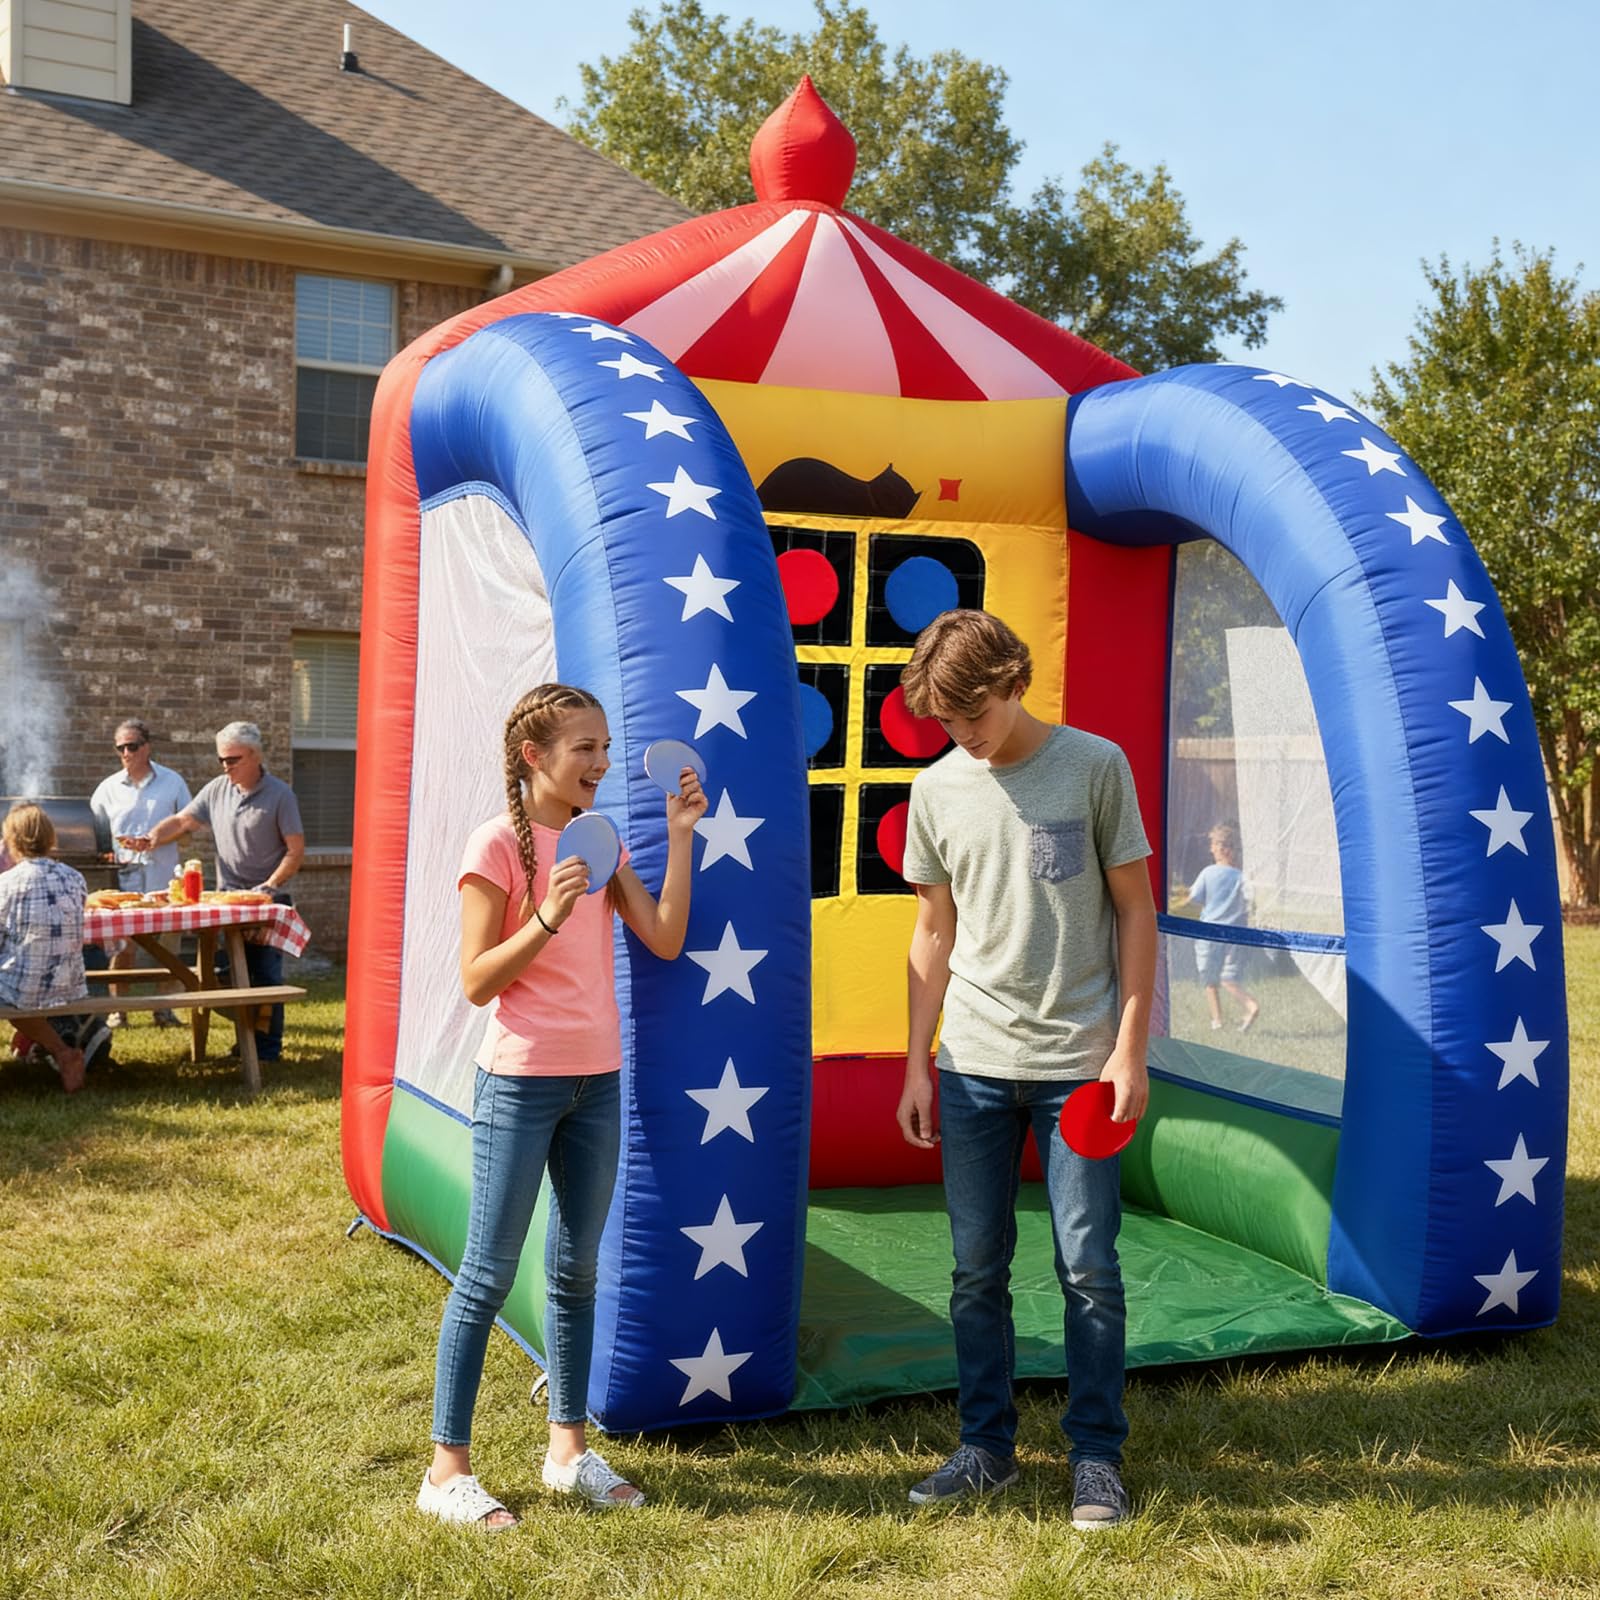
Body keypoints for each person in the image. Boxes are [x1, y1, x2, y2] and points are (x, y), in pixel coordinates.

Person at [418, 684, 707, 1528]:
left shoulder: (601, 842)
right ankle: (446, 1471)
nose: (602, 762)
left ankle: (567, 1453)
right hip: (519, 1081)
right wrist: (546, 914)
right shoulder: (498, 845)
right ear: (534, 757)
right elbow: (475, 982)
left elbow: (664, 937)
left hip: (598, 1081)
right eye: (584, 747)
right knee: (487, 1273)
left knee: (577, 1272)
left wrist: (680, 839)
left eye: (605, 746)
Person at [893, 609, 1156, 1529]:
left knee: (1087, 1266)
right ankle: (986, 1449)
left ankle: (1095, 1457)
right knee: (975, 1270)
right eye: (946, 721)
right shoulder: (935, 789)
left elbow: (1135, 912)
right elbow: (932, 931)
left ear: (1013, 679)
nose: (963, 733)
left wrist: (1130, 1048)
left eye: (974, 712)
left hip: (1080, 1065)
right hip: (968, 1064)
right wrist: (915, 1064)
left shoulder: (1096, 766)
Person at [126, 720, 304, 1063]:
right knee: (223, 974)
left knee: (264, 976)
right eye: (222, 760)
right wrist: (151, 838)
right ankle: (248, 1040)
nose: (226, 766)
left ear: (254, 756)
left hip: (268, 899)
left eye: (233, 759)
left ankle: (266, 1052)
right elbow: (181, 821)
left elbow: (295, 851)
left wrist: (269, 886)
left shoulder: (281, 796)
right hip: (227, 900)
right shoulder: (217, 789)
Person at [0, 803, 111, 1092]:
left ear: (12, 840)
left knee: (14, 992)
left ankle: (62, 1053)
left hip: (26, 990)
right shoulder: (76, 878)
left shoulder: (7, 883)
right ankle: (47, 1047)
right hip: (70, 986)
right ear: (50, 838)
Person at [89, 717, 192, 1028]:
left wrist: (157, 839)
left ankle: (164, 1008)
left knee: (169, 944)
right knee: (123, 944)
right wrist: (105, 851)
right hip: (124, 877)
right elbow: (95, 835)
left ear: (147, 747)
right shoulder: (107, 788)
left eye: (132, 746)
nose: (126, 753)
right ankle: (118, 1011)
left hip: (163, 874)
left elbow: (187, 828)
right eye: (120, 747)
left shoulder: (173, 782)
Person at [1176, 823, 1260, 1033]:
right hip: (1234, 935)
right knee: (1228, 977)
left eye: (1213, 844)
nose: (1210, 848)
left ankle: (1217, 1021)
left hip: (1209, 934)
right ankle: (1250, 1005)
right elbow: (1250, 901)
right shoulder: (1241, 877)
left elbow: (1193, 897)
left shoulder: (1208, 873)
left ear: (1223, 849)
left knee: (1209, 978)